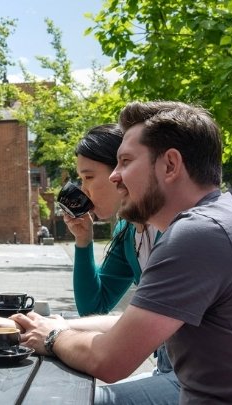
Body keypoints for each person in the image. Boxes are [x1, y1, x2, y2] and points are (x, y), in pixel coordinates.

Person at [0, 101, 232, 403]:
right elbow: (128, 322)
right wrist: (44, 324)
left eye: (126, 161)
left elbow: (110, 361)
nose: (114, 177)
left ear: (170, 165)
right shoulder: (217, 220)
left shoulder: (199, 233)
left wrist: (52, 337)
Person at [66, 124, 177, 404]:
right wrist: (83, 241)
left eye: (89, 177)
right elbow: (94, 307)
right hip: (167, 369)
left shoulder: (176, 231)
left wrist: (57, 333)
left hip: (199, 380)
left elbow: (115, 358)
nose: (83, 190)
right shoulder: (128, 232)